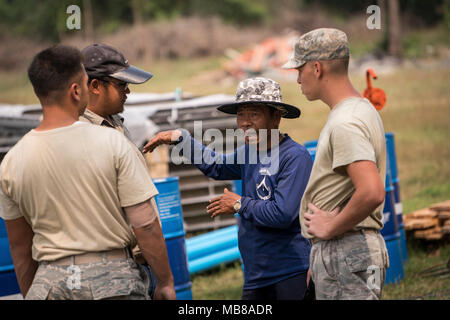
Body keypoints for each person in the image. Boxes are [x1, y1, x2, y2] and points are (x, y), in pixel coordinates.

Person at [0, 45, 175, 300]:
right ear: (79, 89)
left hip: (48, 284)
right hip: (114, 282)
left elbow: (18, 246)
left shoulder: (11, 161)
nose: (128, 91)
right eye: (121, 84)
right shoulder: (110, 142)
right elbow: (145, 223)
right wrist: (166, 281)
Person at [143, 77, 313, 300]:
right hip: (256, 274)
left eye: (254, 114)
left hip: (289, 273)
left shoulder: (294, 157)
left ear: (276, 117)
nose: (244, 122)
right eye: (241, 114)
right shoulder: (249, 152)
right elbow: (216, 166)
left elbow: (282, 214)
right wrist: (180, 138)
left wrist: (239, 203)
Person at [282, 28, 389, 300]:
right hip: (342, 250)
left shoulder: (345, 123)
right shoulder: (360, 109)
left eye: (299, 69)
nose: (297, 78)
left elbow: (372, 191)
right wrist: (320, 253)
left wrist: (331, 228)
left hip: (346, 247)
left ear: (316, 68)